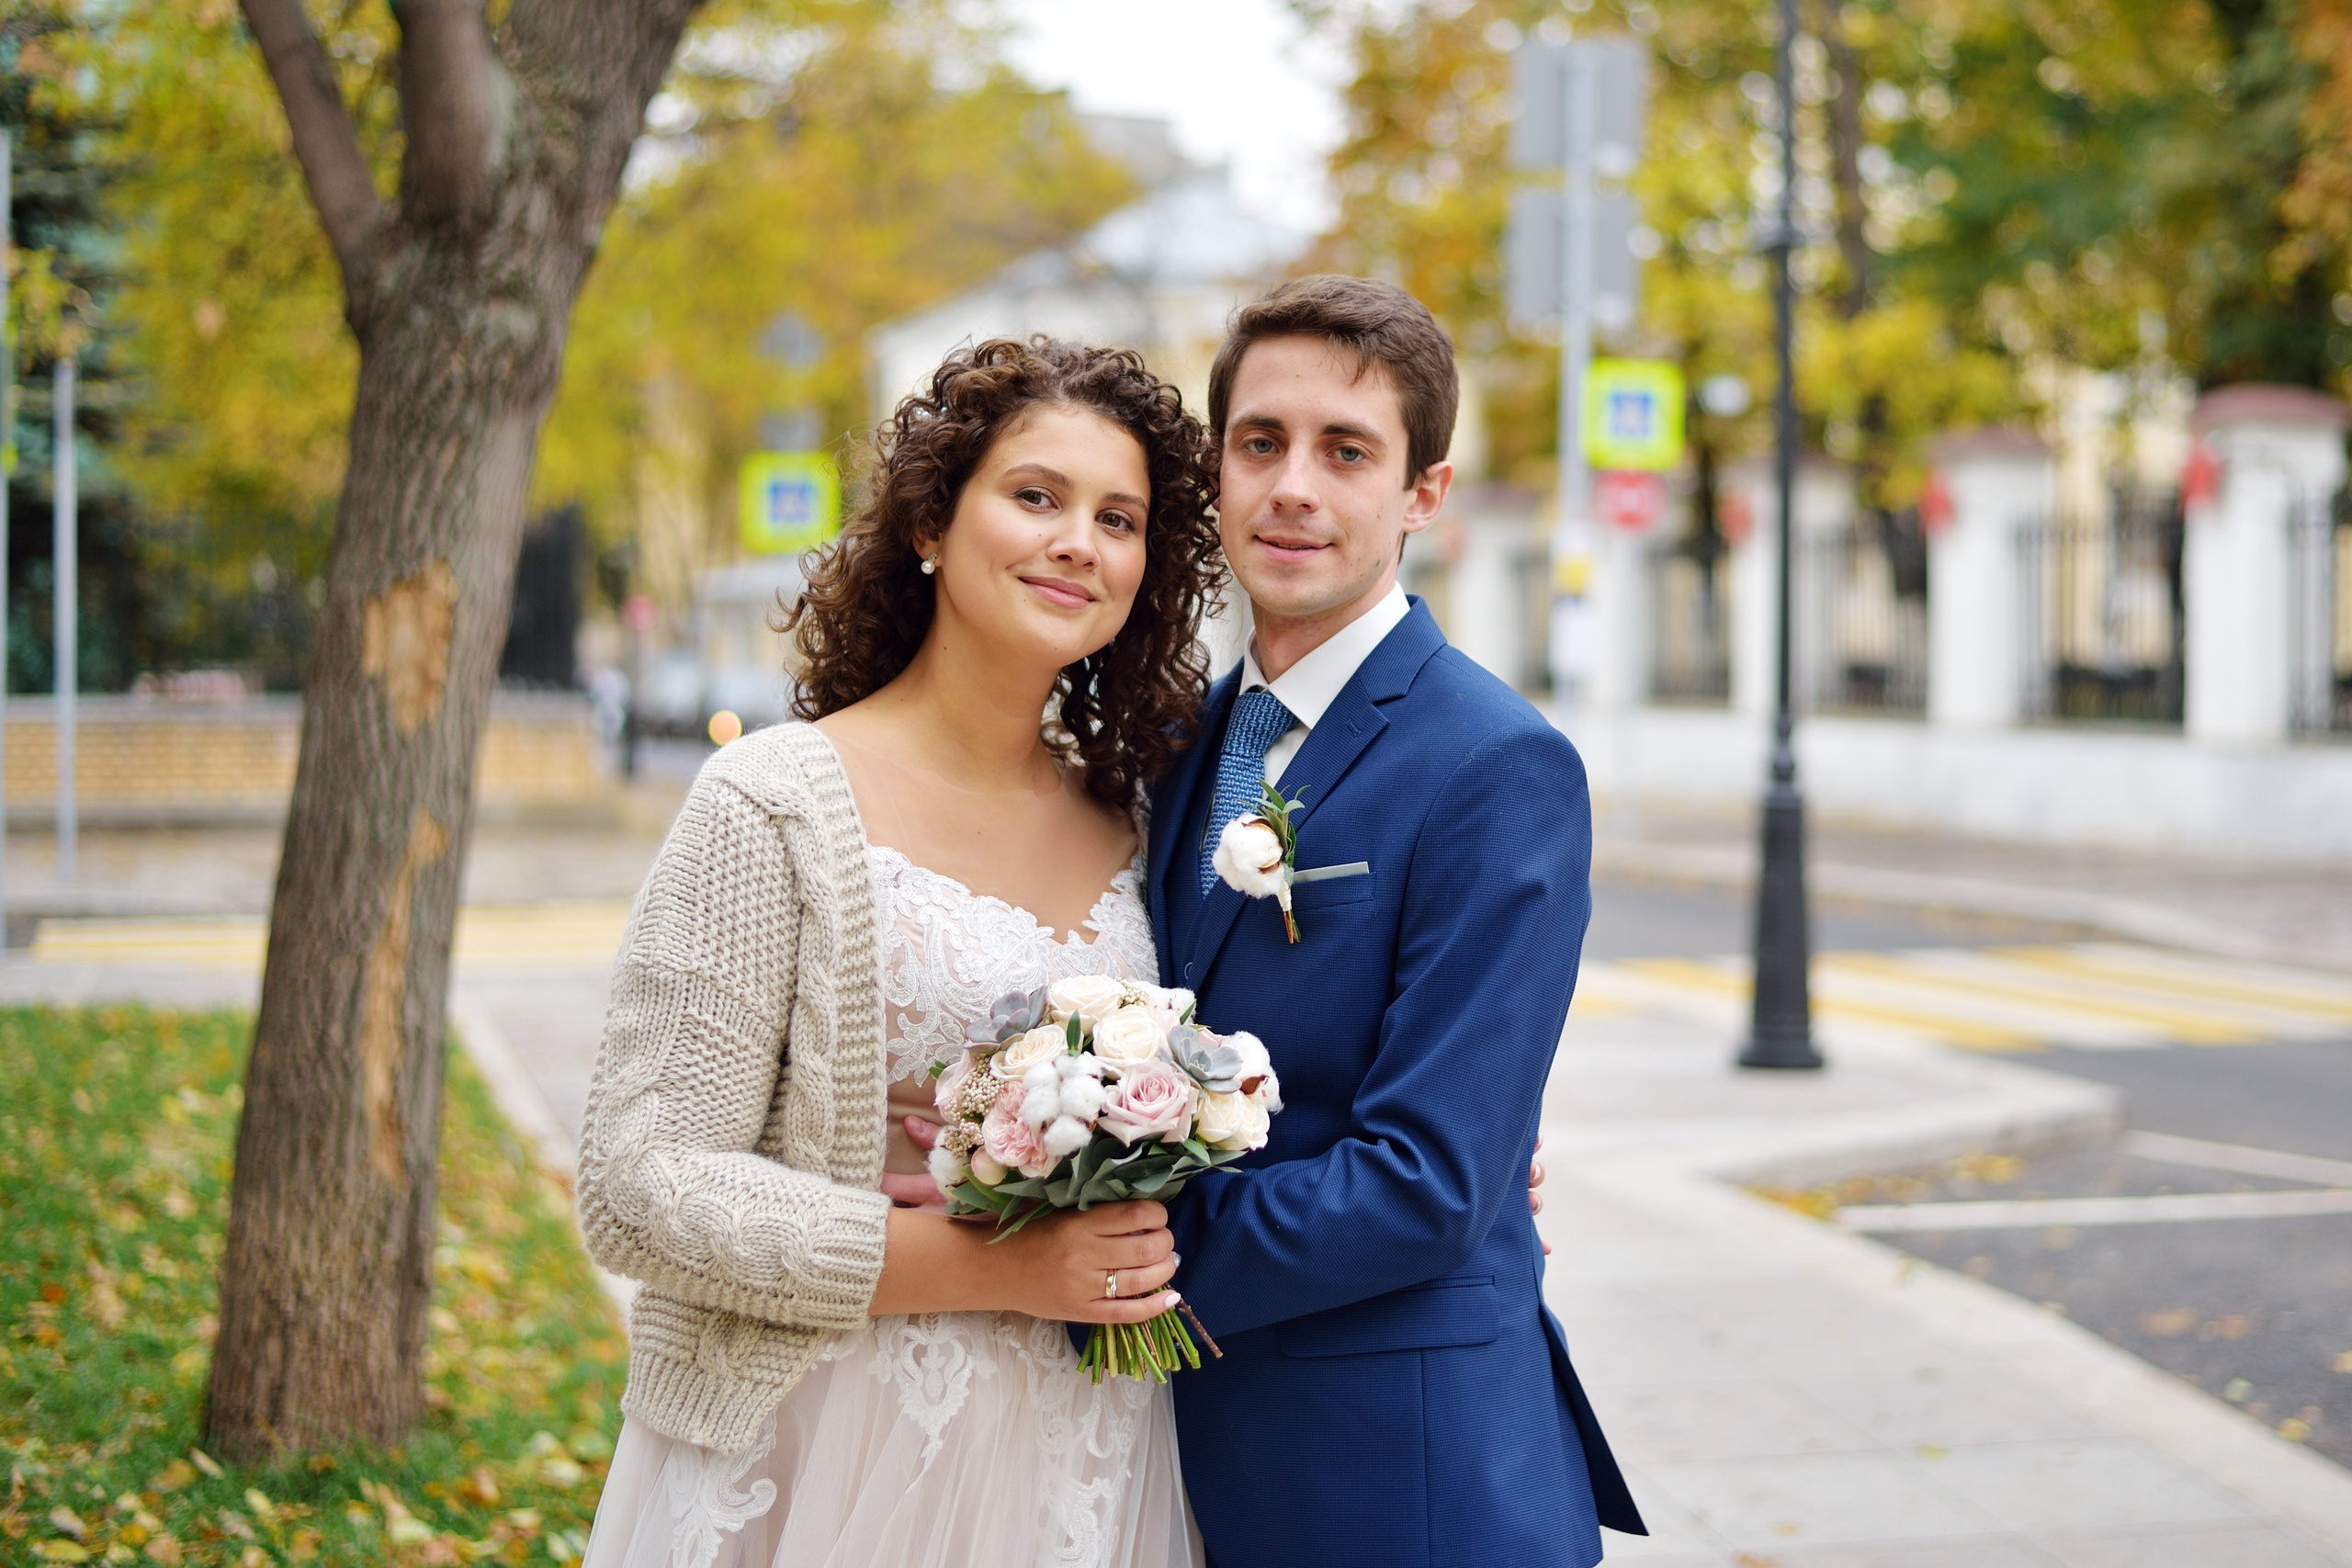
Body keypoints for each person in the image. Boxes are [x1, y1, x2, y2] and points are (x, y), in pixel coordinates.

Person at [572, 337, 1227, 1568]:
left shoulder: (1140, 819)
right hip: (823, 1446)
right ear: (932, 521)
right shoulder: (772, 802)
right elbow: (636, 1182)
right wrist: (983, 1263)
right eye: (1036, 496)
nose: (1080, 540)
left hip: (1086, 1455)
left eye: (1120, 518)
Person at [1143, 276, 1645, 1566]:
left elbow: (1428, 1182)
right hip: (1175, 1449)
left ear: (1425, 494)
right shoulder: (1184, 742)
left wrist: (1109, 1248)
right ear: (1216, 470)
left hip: (1394, 1473)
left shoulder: (1496, 765)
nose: (1293, 486)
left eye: (1346, 451)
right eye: (1261, 442)